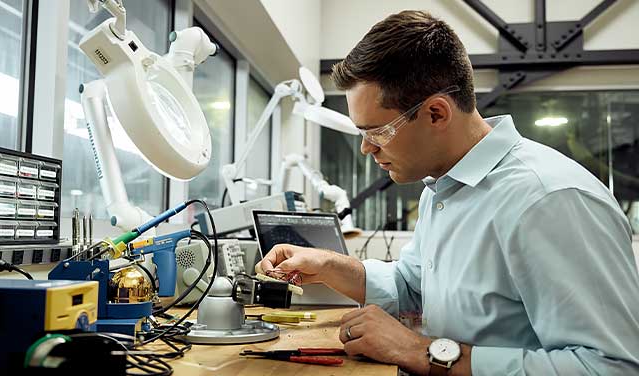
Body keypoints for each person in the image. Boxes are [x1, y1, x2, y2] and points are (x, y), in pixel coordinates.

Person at [259, 10, 639, 376]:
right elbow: (412, 285)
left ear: (437, 113)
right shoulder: (442, 190)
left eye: (376, 132)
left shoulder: (547, 199)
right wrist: (326, 265)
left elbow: (610, 366)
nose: (366, 149)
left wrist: (421, 352)